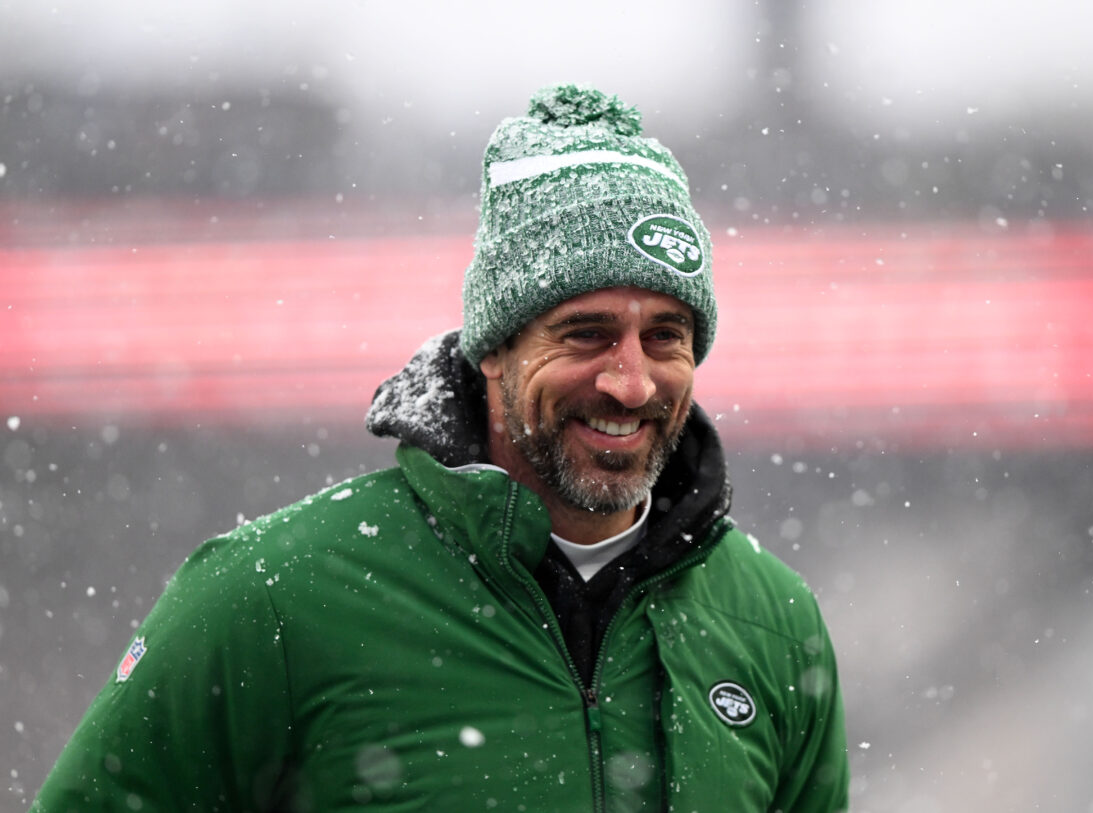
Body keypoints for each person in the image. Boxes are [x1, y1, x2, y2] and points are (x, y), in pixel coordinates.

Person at [33, 84, 849, 812]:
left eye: (665, 336)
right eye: (586, 334)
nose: (631, 382)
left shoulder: (773, 624)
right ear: (493, 348)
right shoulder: (273, 599)